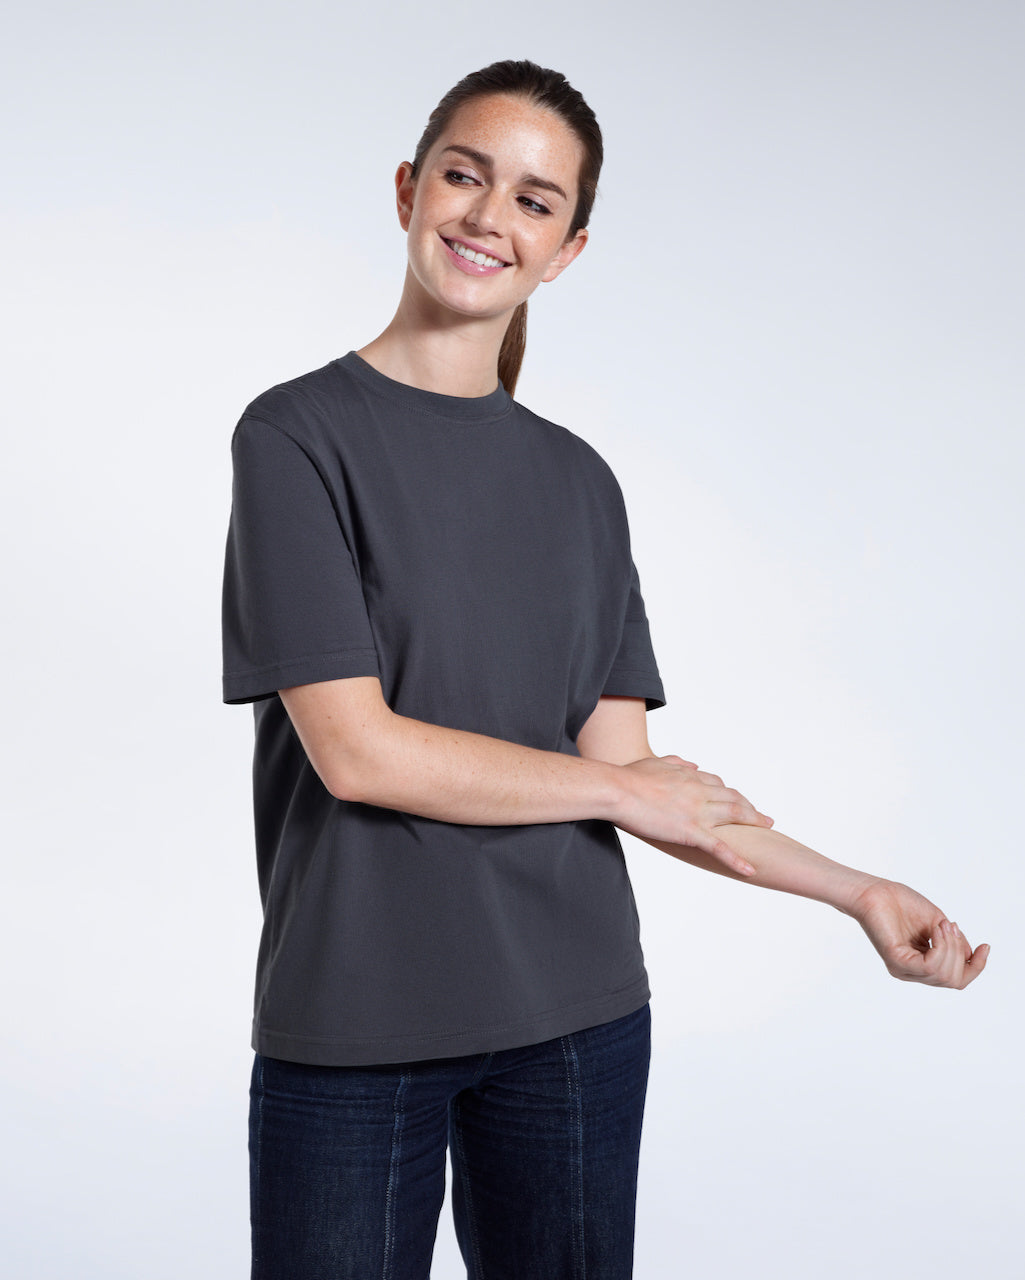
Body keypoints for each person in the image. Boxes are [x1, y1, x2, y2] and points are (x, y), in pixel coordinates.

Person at [222, 59, 988, 1280]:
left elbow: (631, 773)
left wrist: (857, 892)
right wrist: (620, 793)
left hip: (574, 1024)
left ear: (566, 249)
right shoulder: (295, 436)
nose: (487, 217)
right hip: (355, 1027)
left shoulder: (578, 483)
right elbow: (356, 750)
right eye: (465, 177)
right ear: (410, 189)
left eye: (533, 200)